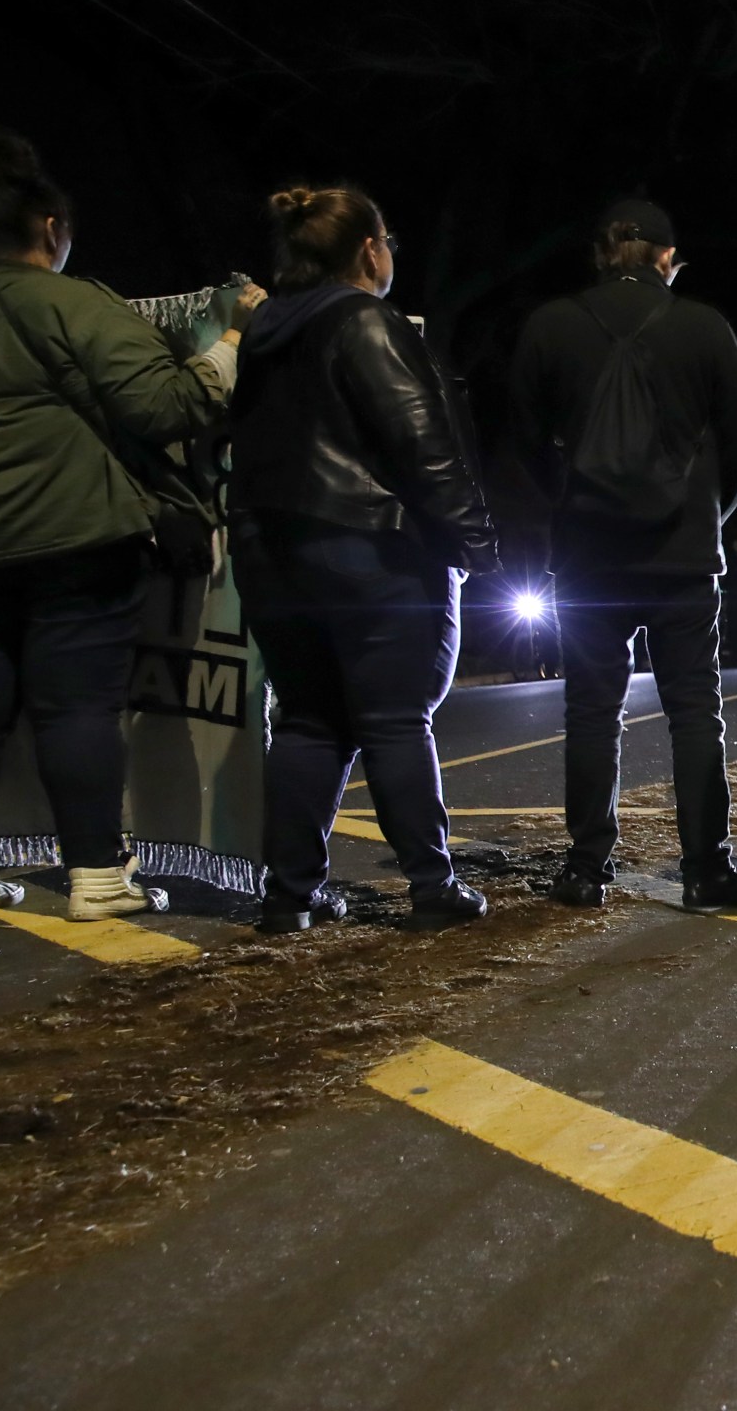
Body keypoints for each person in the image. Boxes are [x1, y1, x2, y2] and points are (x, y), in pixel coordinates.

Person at [0, 126, 255, 922]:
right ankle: (96, 878)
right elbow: (163, 406)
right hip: (76, 539)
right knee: (75, 710)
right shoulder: (74, 303)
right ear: (49, 230)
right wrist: (227, 343)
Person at [227, 186, 498, 933]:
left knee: (310, 721)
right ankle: (431, 884)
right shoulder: (365, 320)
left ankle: (289, 895)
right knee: (395, 719)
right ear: (369, 249)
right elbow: (422, 443)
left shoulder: (263, 331)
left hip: (271, 550)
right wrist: (473, 543)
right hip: (372, 548)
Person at [510, 199, 737, 914]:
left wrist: (567, 508)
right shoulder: (703, 328)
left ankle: (585, 868)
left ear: (602, 252)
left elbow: (525, 443)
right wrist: (707, 517)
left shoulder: (550, 326)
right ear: (667, 257)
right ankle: (705, 870)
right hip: (681, 554)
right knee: (695, 713)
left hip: (588, 554)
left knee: (593, 712)